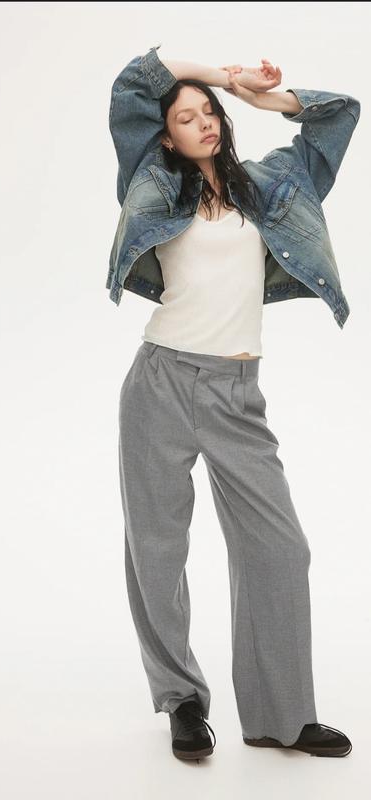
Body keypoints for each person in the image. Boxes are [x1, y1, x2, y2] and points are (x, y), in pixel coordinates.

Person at [110, 46, 359, 761]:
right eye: (185, 117)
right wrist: (214, 73)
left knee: (280, 548)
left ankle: (281, 716)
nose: (203, 122)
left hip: (236, 393)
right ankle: (182, 701)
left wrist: (258, 95)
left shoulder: (273, 185)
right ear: (166, 138)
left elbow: (340, 115)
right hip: (159, 382)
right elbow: (134, 83)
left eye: (209, 111)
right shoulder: (153, 182)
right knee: (157, 551)